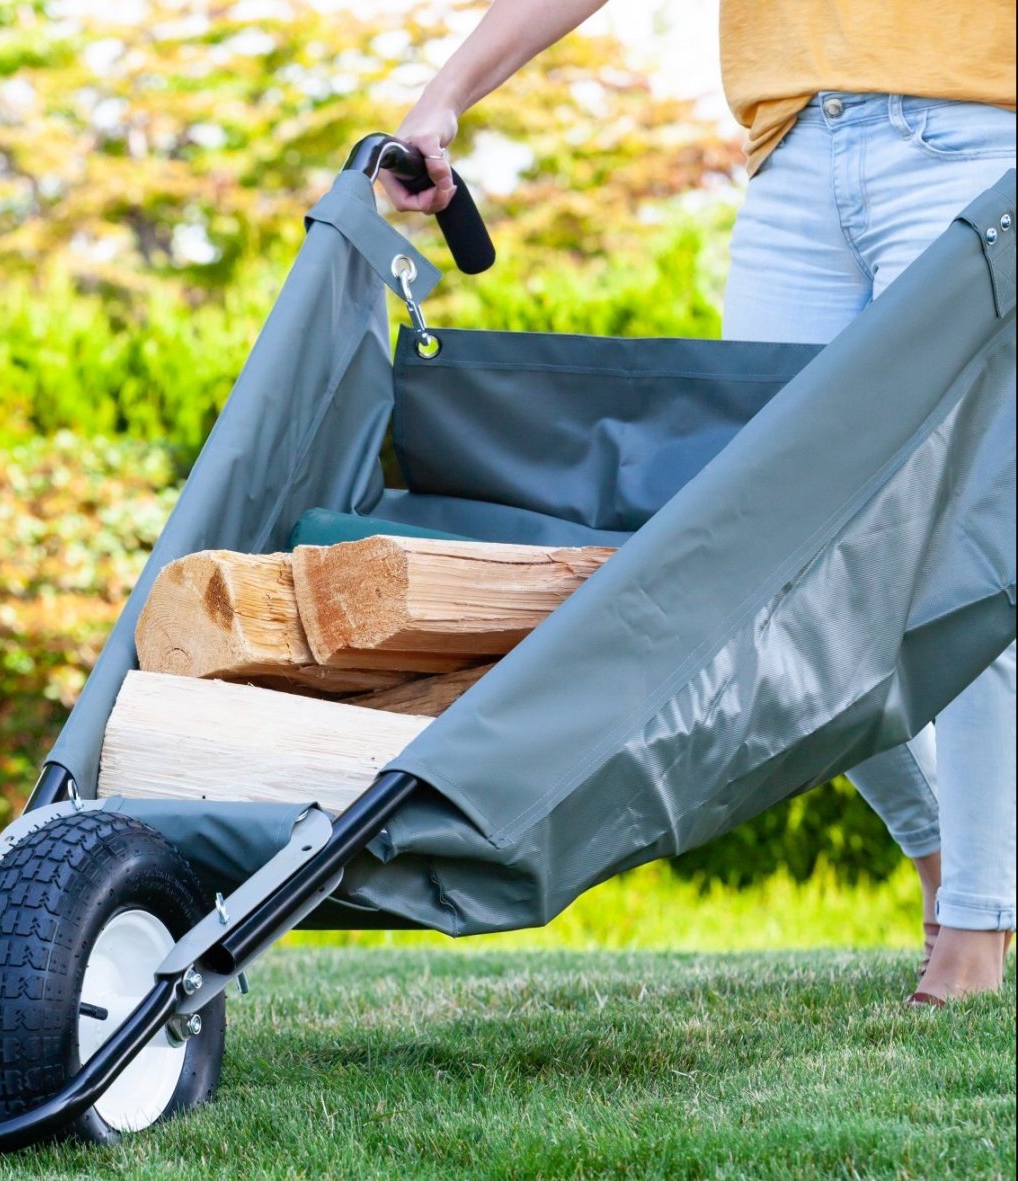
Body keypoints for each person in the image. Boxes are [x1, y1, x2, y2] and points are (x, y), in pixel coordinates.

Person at [381, 0, 1016, 1003]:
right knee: (769, 578)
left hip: (974, 135)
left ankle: (978, 926)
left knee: (962, 547)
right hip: (792, 153)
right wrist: (445, 98)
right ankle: (942, 853)